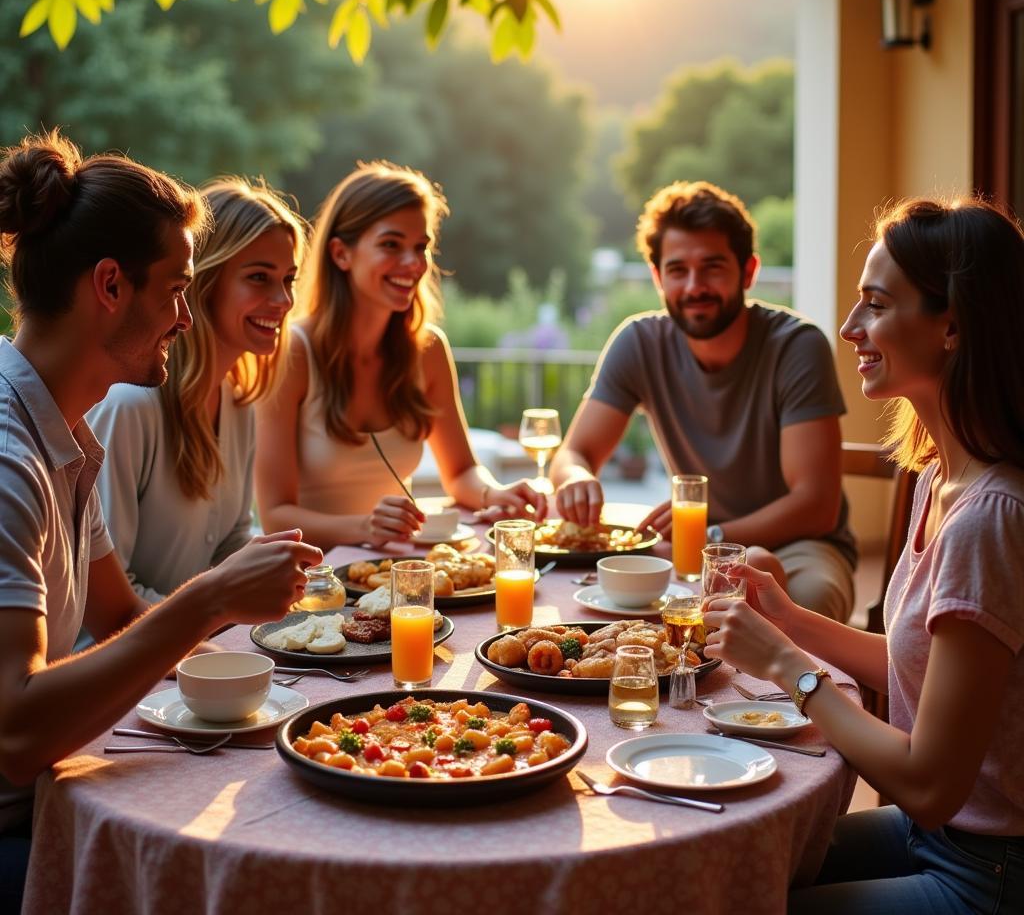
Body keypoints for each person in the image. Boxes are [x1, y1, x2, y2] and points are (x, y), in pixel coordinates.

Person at [0, 133, 321, 909]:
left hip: (59, 792)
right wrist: (212, 600)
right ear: (110, 286)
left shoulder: (66, 435)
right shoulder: (10, 457)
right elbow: (12, 732)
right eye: (177, 290)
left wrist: (290, 674)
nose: (186, 317)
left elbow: (122, 616)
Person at [703, 197, 1024, 911]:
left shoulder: (990, 517)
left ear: (952, 326)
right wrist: (787, 619)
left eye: (876, 306)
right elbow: (920, 671)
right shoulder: (942, 475)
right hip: (935, 835)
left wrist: (788, 667)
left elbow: (930, 781)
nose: (850, 329)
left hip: (987, 873)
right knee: (720, 872)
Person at [551, 180, 856, 621]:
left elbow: (816, 506)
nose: (694, 286)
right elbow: (574, 452)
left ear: (748, 271)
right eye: (677, 270)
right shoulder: (639, 342)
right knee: (599, 607)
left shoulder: (796, 346)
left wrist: (712, 535)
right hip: (692, 552)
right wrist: (575, 478)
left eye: (712, 267)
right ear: (658, 277)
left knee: (803, 610)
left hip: (798, 548)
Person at [255, 160, 545, 549]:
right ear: (341, 253)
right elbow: (275, 515)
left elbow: (460, 472)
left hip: (396, 576)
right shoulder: (292, 353)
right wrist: (363, 529)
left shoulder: (428, 350)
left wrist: (495, 495)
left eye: (420, 247)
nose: (412, 263)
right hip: (313, 584)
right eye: (391, 245)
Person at [88, 178, 306, 601]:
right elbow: (105, 602)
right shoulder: (131, 406)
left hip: (197, 649)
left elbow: (230, 539)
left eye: (289, 279)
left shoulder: (239, 403)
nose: (283, 299)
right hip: (138, 660)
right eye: (259, 277)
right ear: (201, 284)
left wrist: (284, 568)